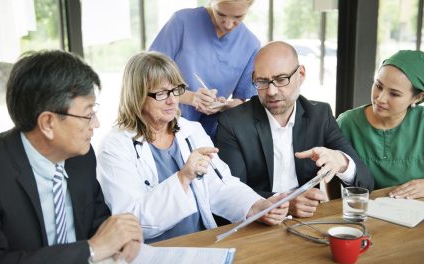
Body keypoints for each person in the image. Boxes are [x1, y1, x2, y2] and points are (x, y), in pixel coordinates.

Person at [97, 51, 289, 243]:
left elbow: (221, 186)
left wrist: (257, 206)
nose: (172, 100)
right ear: (137, 96)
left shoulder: (191, 131)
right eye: (162, 93)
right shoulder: (116, 146)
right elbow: (132, 222)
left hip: (200, 241)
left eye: (176, 90)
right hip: (152, 251)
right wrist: (183, 178)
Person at [0, 50, 143, 264]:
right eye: (88, 114)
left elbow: (96, 221)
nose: (96, 124)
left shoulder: (81, 157)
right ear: (48, 123)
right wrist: (91, 249)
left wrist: (122, 237)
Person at [215, 41, 375, 218]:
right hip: (255, 225)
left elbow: (365, 184)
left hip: (307, 222)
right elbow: (228, 194)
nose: (271, 91)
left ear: (301, 74)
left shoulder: (319, 115)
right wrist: (286, 203)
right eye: (262, 81)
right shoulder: (233, 122)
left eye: (281, 79)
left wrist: (342, 162)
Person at [149, 0, 260, 138]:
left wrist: (223, 105)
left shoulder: (251, 44)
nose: (228, 24)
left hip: (209, 133)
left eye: (238, 17)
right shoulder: (182, 21)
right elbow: (149, 76)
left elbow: (241, 101)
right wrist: (192, 98)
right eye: (221, 14)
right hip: (165, 123)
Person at [337, 50, 424, 199]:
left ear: (417, 97)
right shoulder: (347, 124)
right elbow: (331, 175)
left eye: (394, 94)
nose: (381, 98)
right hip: (366, 216)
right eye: (378, 86)